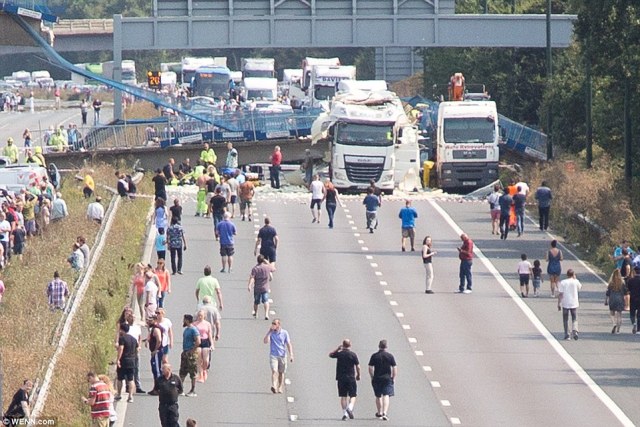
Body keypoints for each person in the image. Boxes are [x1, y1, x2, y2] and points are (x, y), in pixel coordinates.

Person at [329, 339, 361, 421]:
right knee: (353, 395)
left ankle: (345, 413)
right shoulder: (353, 355)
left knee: (343, 396)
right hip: (351, 378)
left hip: (341, 377)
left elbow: (331, 355)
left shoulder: (340, 354)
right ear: (350, 345)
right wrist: (358, 375)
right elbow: (358, 366)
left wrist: (338, 349)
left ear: (343, 345)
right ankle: (349, 409)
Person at [368, 339, 397, 421]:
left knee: (378, 396)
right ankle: (385, 412)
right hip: (387, 378)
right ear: (386, 347)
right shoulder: (390, 356)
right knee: (386, 395)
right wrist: (393, 378)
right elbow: (394, 367)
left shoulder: (374, 356)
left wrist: (372, 376)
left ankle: (379, 412)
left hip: (377, 377)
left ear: (379, 346)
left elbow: (370, 367)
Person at [264, 318, 293, 394]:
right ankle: (274, 386)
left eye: (274, 324)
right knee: (274, 371)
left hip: (282, 355)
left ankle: (280, 387)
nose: (273, 325)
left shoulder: (284, 333)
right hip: (273, 355)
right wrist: (269, 332)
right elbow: (265, 341)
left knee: (281, 372)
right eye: (272, 323)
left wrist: (291, 355)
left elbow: (288, 344)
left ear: (279, 325)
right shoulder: (271, 333)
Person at [179, 314, 201, 397]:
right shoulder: (186, 329)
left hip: (191, 354)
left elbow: (198, 341)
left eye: (184, 319)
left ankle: (193, 390)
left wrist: (192, 351)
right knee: (182, 371)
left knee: (193, 372)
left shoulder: (193, 330)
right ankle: (180, 389)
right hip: (185, 352)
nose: (183, 321)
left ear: (187, 320)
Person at [557, 269, 582, 340]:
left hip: (565, 302)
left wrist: (559, 303)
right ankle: (575, 330)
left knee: (565, 319)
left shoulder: (563, 282)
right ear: (573, 274)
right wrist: (575, 278)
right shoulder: (576, 281)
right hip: (574, 303)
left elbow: (560, 294)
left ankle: (567, 334)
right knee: (574, 318)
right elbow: (580, 287)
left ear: (567, 275)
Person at [248, 255, 275, 320]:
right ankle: (266, 314)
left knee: (256, 302)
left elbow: (252, 278)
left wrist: (249, 285)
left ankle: (256, 313)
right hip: (265, 287)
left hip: (257, 288)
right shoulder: (267, 267)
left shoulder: (255, 268)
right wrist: (267, 262)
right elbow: (273, 269)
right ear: (263, 261)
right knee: (265, 301)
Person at [115, 323, 137, 403]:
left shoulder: (122, 338)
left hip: (124, 360)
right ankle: (130, 396)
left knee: (120, 378)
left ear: (122, 330)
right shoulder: (134, 339)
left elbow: (121, 348)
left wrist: (118, 359)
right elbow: (137, 349)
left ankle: (119, 394)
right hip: (132, 360)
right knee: (131, 379)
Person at [193, 310, 213, 383]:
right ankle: (201, 375)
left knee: (206, 360)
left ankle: (204, 370)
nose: (199, 317)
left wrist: (212, 344)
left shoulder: (207, 324)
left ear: (204, 316)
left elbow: (210, 334)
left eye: (201, 315)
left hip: (205, 341)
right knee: (199, 359)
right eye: (198, 315)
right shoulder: (194, 324)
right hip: (197, 342)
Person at [146, 315, 164, 394]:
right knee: (154, 370)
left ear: (155, 320)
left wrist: (155, 350)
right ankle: (155, 388)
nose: (149, 321)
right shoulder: (152, 328)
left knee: (157, 370)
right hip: (154, 352)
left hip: (156, 352)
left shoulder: (156, 329)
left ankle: (159, 389)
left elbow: (159, 340)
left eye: (151, 320)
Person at [606, 269, 627, 334]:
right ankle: (618, 330)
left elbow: (608, 293)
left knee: (612, 313)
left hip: (612, 299)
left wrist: (606, 300)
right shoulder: (622, 283)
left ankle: (614, 323)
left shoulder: (611, 283)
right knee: (619, 315)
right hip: (620, 299)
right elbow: (625, 293)